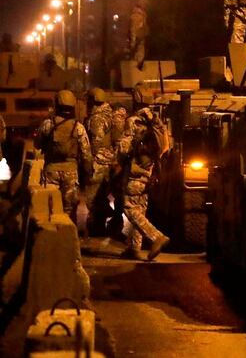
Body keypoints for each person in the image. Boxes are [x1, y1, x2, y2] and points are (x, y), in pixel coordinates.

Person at [117, 86, 170, 260]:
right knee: (140, 206)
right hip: (149, 170)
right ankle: (134, 247)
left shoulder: (133, 121)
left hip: (135, 169)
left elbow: (123, 149)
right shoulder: (156, 121)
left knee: (129, 207)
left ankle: (156, 236)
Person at [34, 90, 93, 222]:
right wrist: (88, 174)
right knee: (69, 208)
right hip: (71, 172)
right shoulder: (78, 127)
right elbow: (86, 154)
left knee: (51, 206)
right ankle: (70, 236)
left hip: (51, 171)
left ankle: (52, 236)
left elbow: (37, 144)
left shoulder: (48, 124)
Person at [84, 87, 116, 235]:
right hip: (110, 160)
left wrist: (89, 161)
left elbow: (96, 141)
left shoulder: (97, 118)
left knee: (93, 197)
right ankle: (101, 224)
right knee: (101, 194)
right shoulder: (110, 114)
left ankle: (99, 225)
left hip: (100, 161)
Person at [129, 0, 149, 70]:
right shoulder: (138, 15)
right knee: (138, 55)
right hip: (138, 39)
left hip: (139, 38)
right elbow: (134, 29)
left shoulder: (140, 14)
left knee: (139, 54)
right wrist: (134, 41)